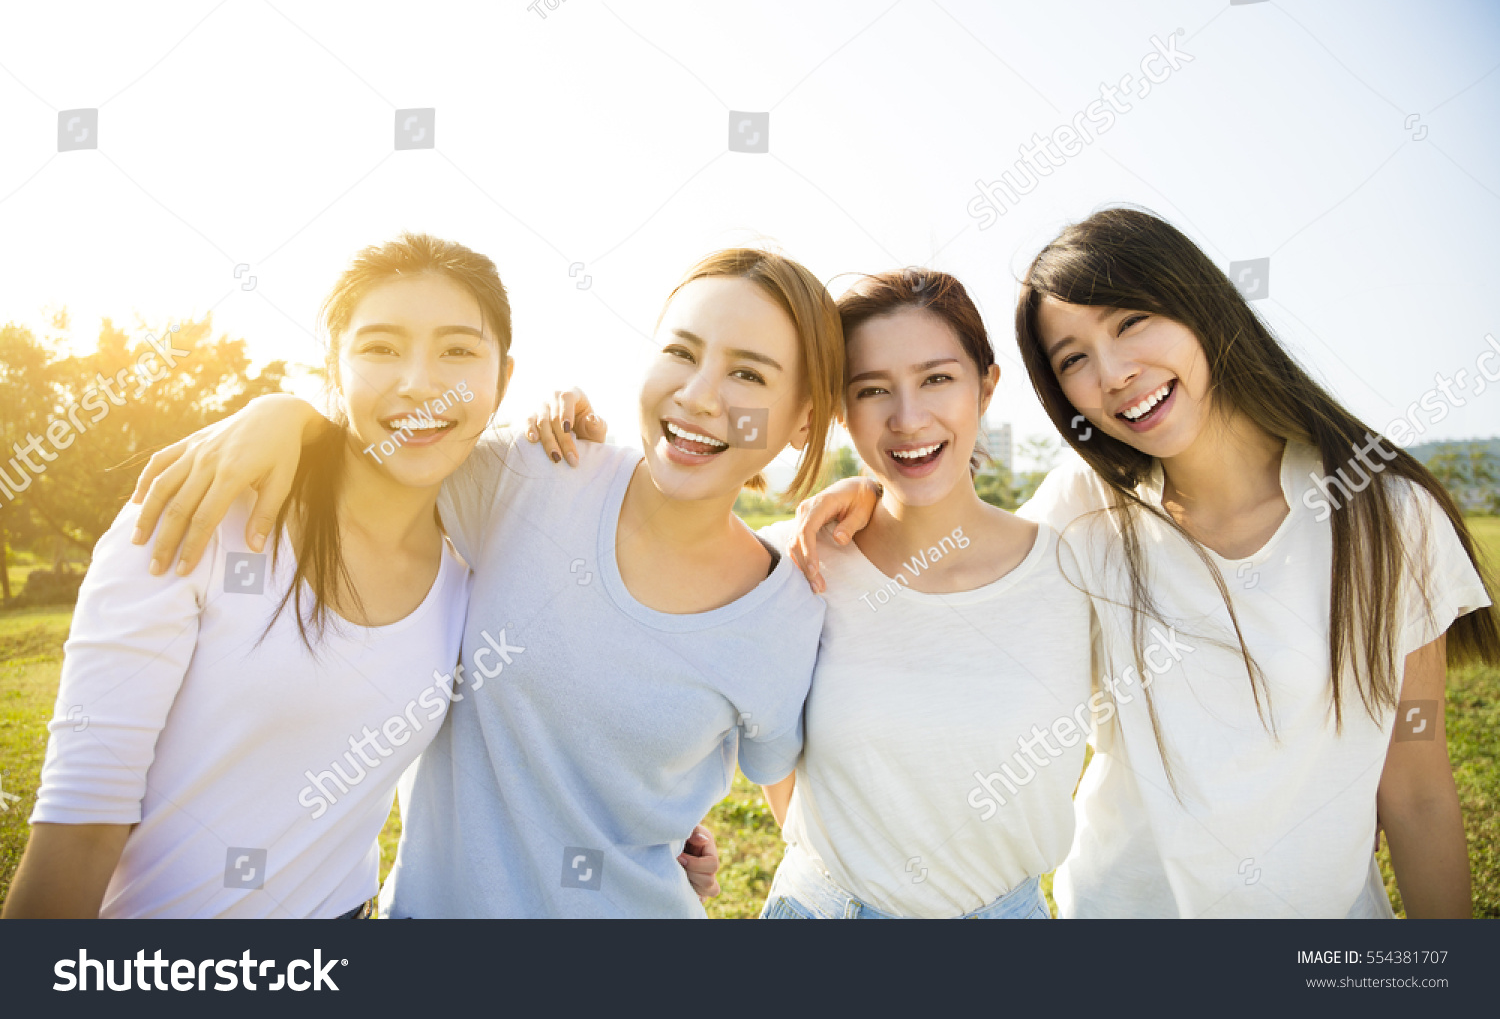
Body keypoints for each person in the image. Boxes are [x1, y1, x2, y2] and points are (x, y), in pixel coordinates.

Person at [787, 207, 1498, 918]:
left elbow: (1418, 786)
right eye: (1073, 359)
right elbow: (960, 535)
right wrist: (870, 491)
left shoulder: (1386, 516)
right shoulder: (1086, 507)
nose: (1115, 373)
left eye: (1130, 321)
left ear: (1201, 305)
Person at [122, 247, 842, 916]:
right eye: (680, 352)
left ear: (807, 419)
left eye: (748, 373)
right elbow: (383, 441)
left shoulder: (788, 612)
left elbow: (788, 795)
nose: (699, 395)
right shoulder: (529, 476)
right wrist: (284, 415)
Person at [530, 269, 1094, 919]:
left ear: (986, 386)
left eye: (937, 378)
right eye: (872, 389)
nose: (908, 418)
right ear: (837, 409)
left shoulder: (1074, 565)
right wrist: (583, 466)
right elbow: (625, 630)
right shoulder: (792, 562)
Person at [3, 233, 503, 918]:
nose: (418, 382)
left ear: (503, 376)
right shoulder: (197, 515)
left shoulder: (477, 562)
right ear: (332, 368)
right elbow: (79, 831)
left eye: (458, 350)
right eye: (381, 347)